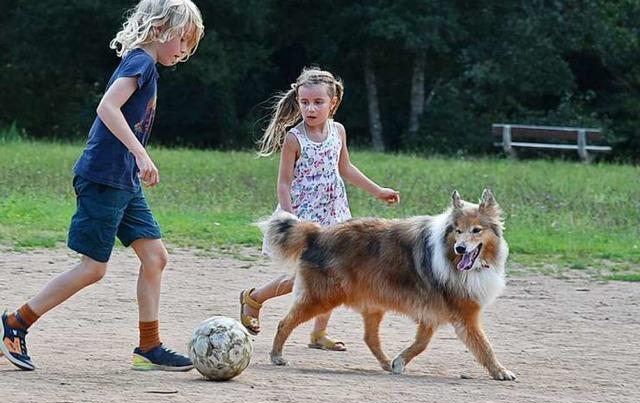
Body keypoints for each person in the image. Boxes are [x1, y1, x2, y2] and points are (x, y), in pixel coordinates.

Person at [0, 0, 204, 371]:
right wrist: (141, 153)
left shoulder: (147, 65)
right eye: (183, 40)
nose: (185, 51)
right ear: (161, 29)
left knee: (155, 257)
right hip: (103, 177)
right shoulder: (141, 62)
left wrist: (134, 161)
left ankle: (149, 346)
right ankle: (15, 323)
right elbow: (107, 107)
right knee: (93, 268)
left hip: (123, 180)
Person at [240, 66, 400, 351]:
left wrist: (378, 191)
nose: (310, 109)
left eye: (317, 102)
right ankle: (254, 299)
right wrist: (290, 219)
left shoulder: (338, 131)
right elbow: (284, 184)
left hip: (334, 215)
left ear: (333, 103)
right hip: (304, 218)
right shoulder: (294, 138)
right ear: (298, 101)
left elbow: (345, 168)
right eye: (304, 102)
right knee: (303, 277)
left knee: (335, 275)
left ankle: (318, 334)